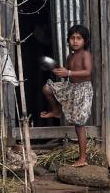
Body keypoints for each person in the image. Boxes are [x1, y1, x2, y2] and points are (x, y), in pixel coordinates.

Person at [40, 25, 93, 167]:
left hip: (83, 90)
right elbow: (66, 71)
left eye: (79, 38)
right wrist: (59, 71)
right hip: (70, 87)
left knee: (79, 125)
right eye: (72, 38)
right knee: (47, 88)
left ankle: (83, 159)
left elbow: (88, 72)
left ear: (85, 41)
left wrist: (68, 73)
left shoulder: (86, 55)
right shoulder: (70, 56)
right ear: (68, 40)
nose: (75, 41)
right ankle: (56, 110)